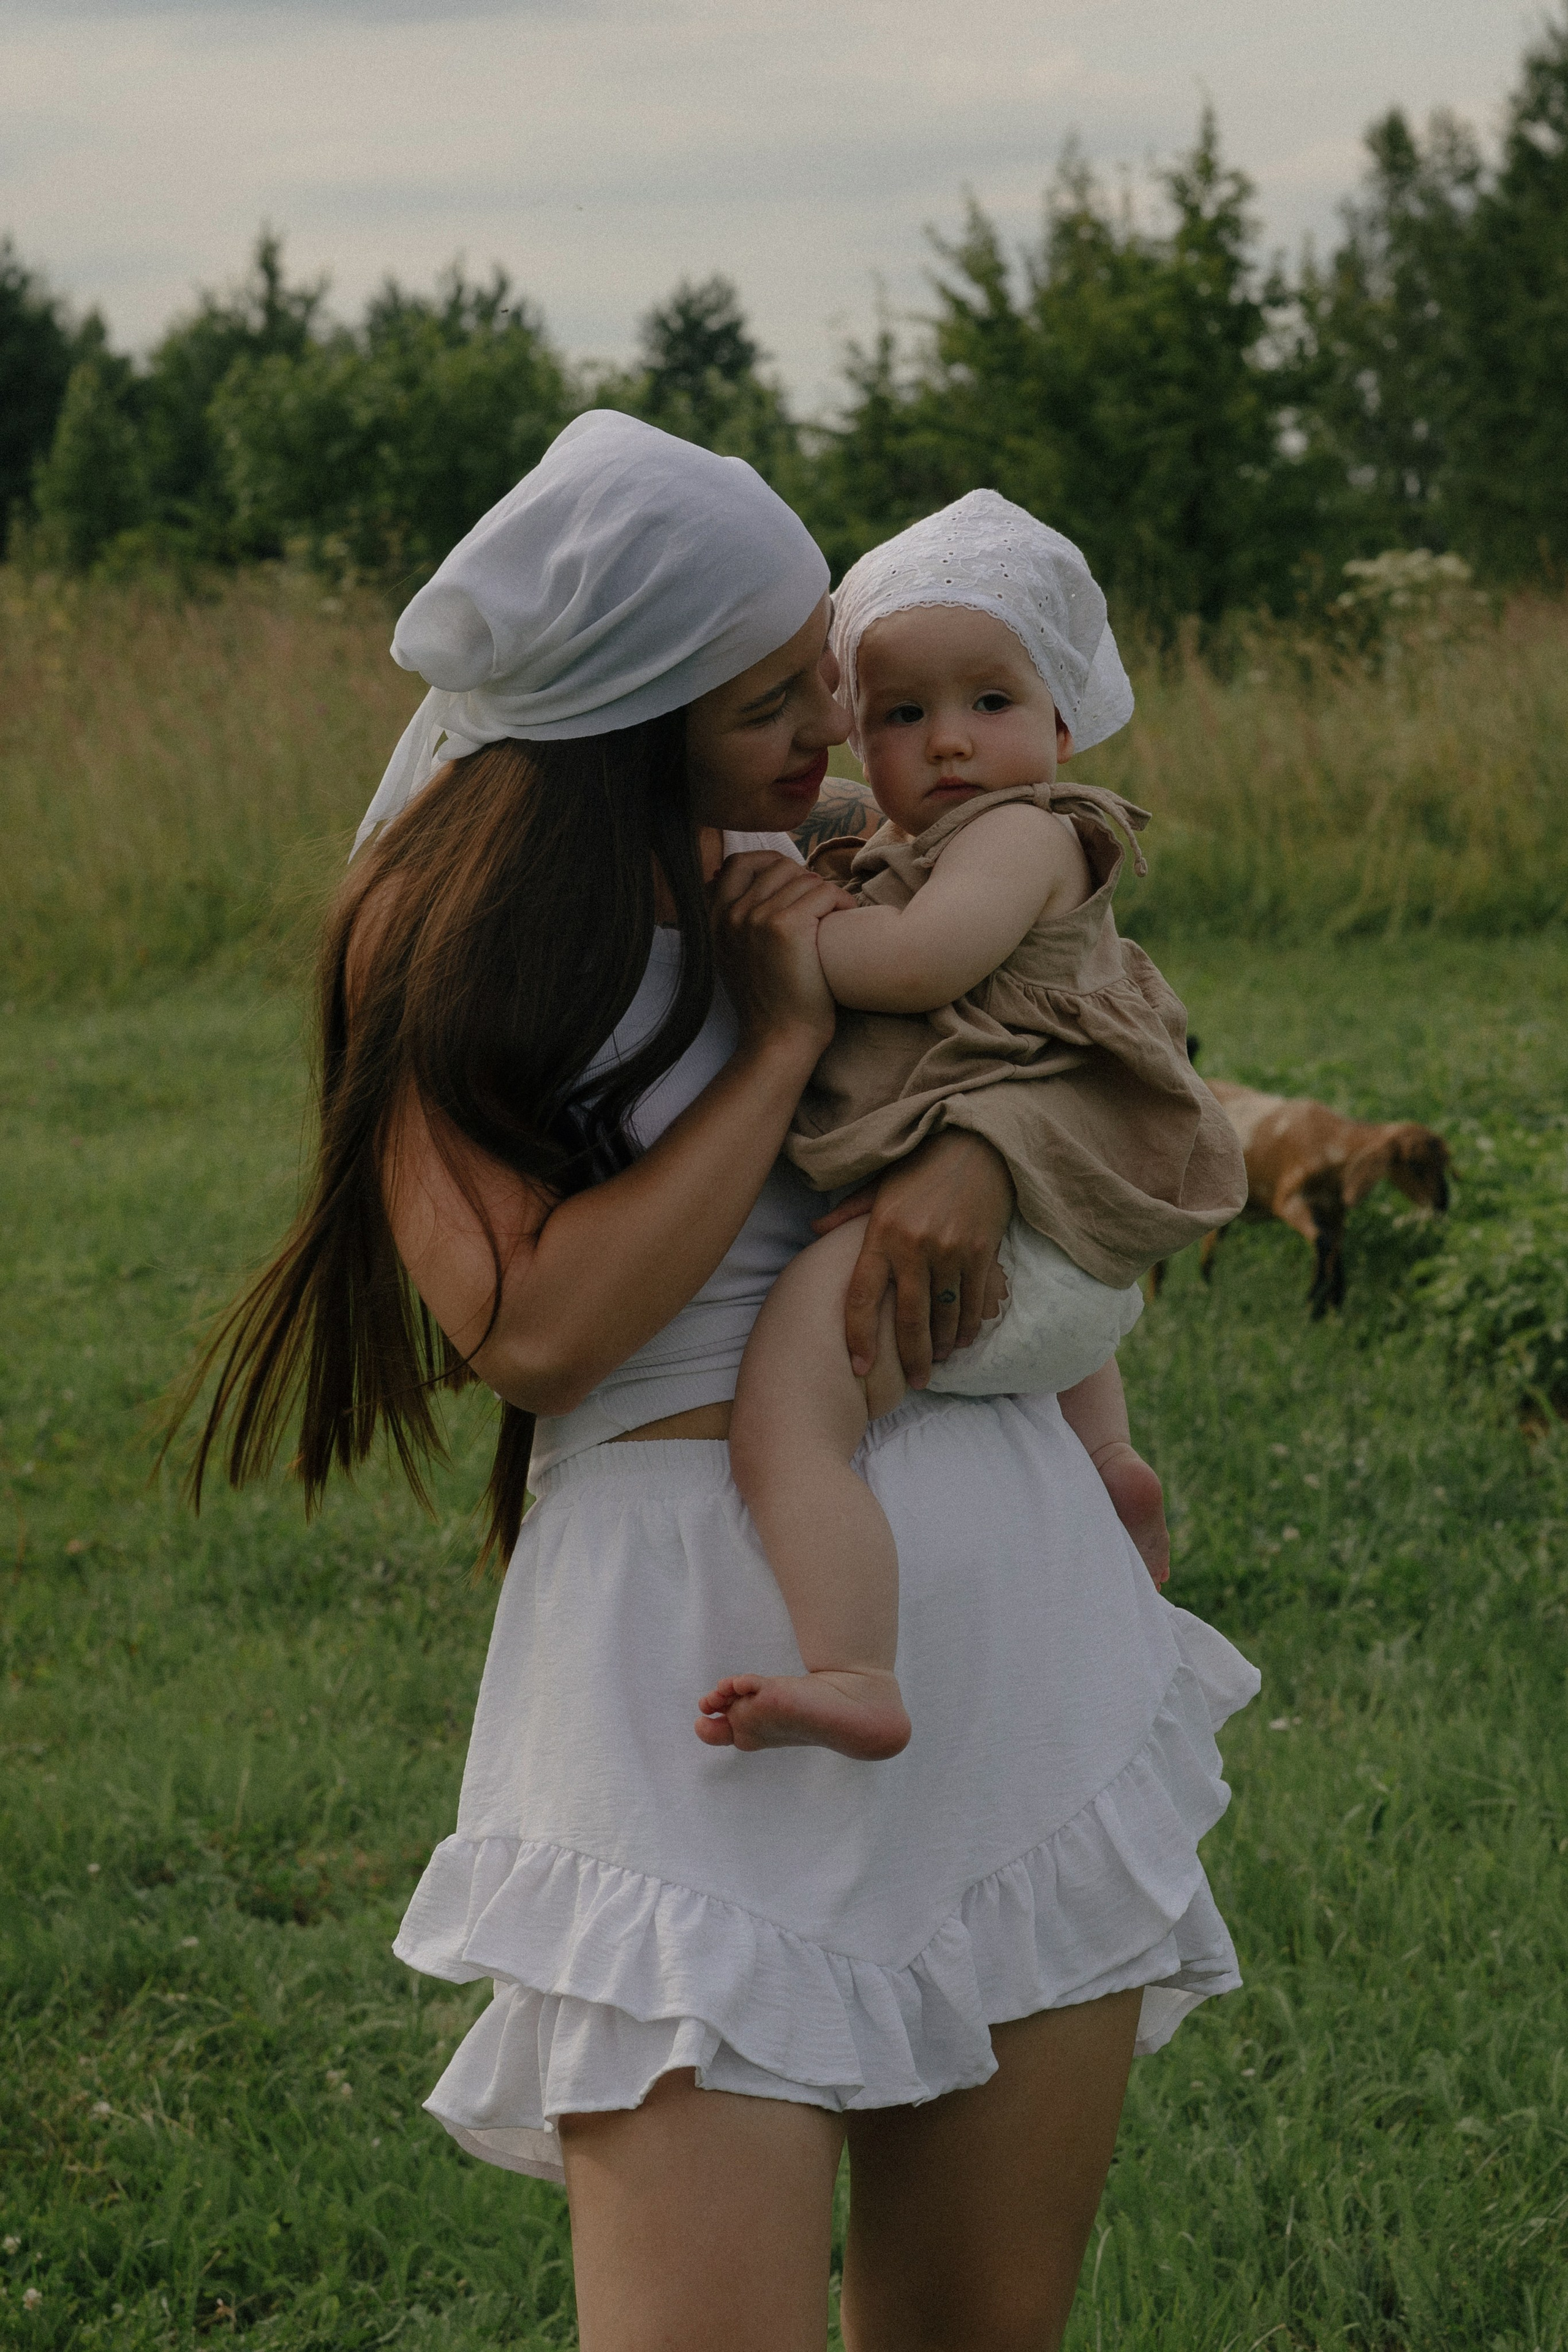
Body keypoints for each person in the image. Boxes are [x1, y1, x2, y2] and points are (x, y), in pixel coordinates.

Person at [179, 412, 1259, 2352]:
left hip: (998, 1634)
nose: (829, 732)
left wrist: (976, 1155)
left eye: (819, 686)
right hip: (678, 1683)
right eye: (770, 699)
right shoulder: (436, 941)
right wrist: (769, 1050)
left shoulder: (860, 865)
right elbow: (537, 1334)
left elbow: (1126, 1041)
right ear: (627, 707)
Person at [701, 494, 1248, 1762]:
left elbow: (916, 961)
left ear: (1061, 723)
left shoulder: (1020, 835)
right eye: (899, 715)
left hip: (1011, 1252)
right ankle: (1105, 1457)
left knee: (788, 1414)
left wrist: (798, 929)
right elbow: (850, 816)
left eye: (987, 706)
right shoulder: (928, 830)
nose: (945, 745)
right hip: (1067, 1275)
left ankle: (851, 1666)